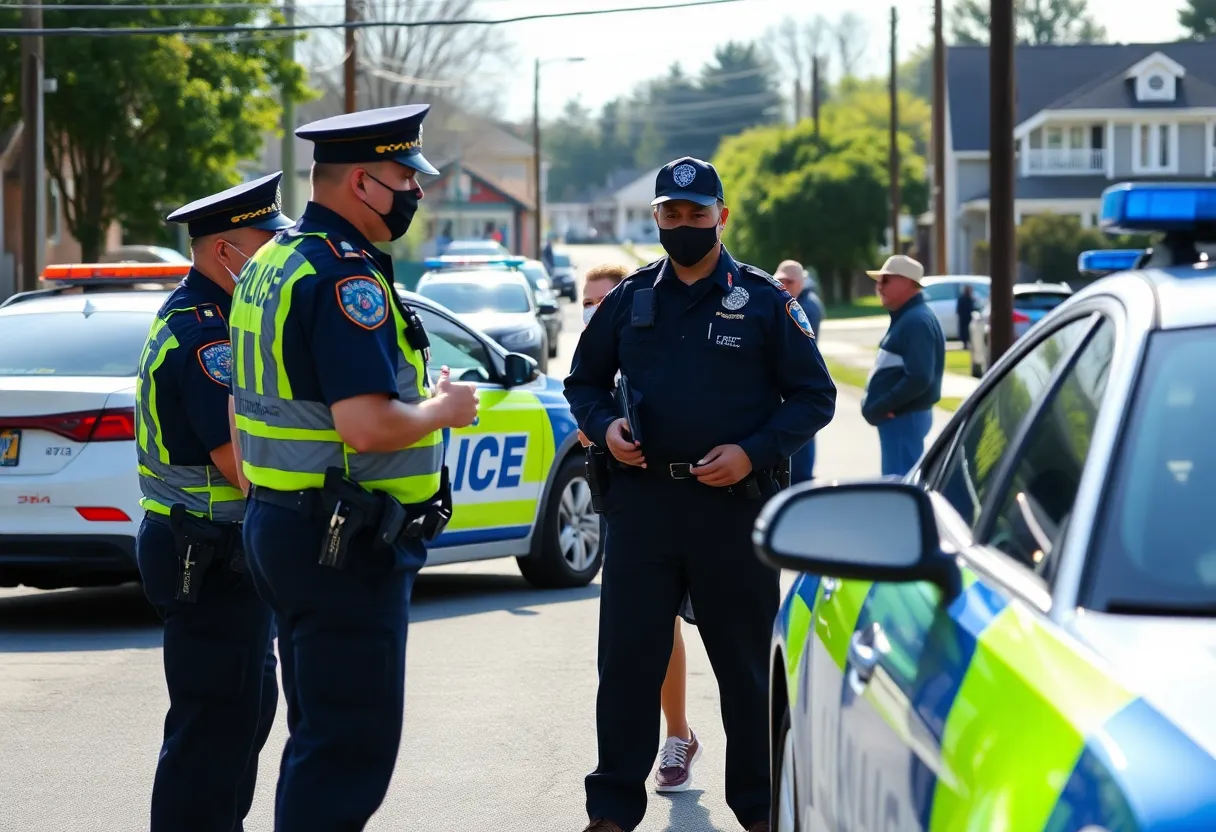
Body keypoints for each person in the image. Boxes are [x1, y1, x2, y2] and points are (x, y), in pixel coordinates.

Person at [227, 104, 480, 830]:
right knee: (347, 749)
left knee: (317, 738)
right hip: (341, 543)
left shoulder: (271, 260)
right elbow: (364, 425)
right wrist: (444, 410)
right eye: (406, 177)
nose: (417, 191)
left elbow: (248, 410)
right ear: (362, 183)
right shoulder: (345, 280)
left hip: (283, 523)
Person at [566, 157, 836, 832]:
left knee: (746, 674)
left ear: (721, 215)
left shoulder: (765, 300)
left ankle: (760, 810)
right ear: (655, 216)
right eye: (670, 213)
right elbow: (583, 383)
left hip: (732, 509)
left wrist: (754, 450)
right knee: (626, 669)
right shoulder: (630, 298)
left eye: (695, 213)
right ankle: (612, 812)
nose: (682, 225)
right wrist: (605, 428)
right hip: (643, 508)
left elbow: (814, 396)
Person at [134, 172, 291, 832]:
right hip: (205, 552)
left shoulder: (223, 321)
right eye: (265, 245)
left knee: (245, 713)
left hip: (223, 551)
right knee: (210, 734)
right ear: (226, 253)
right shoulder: (206, 340)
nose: (276, 259)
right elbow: (242, 466)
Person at [580, 263, 701, 793]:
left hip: (698, 504)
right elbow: (585, 419)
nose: (593, 309)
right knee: (649, 632)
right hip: (629, 507)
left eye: (602, 300)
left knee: (676, 626)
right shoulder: (595, 357)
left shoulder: (649, 344)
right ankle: (670, 741)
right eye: (587, 302)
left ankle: (678, 734)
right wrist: (607, 428)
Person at [861, 254, 946, 477]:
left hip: (903, 418)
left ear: (908, 282)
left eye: (886, 280)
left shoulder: (916, 321)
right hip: (900, 419)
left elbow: (919, 377)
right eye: (878, 280)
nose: (879, 286)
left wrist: (884, 405)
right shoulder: (909, 316)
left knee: (899, 486)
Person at [774, 260, 822, 484]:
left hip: (798, 379)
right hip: (792, 378)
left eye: (789, 281)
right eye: (779, 280)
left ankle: (802, 484)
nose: (783, 284)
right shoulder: (791, 302)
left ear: (801, 282)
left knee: (801, 431)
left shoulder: (805, 307)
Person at [957, 283, 976, 348]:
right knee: (965, 331)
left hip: (965, 317)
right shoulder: (968, 299)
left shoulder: (964, 298)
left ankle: (966, 343)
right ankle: (966, 343)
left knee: (966, 331)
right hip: (966, 317)